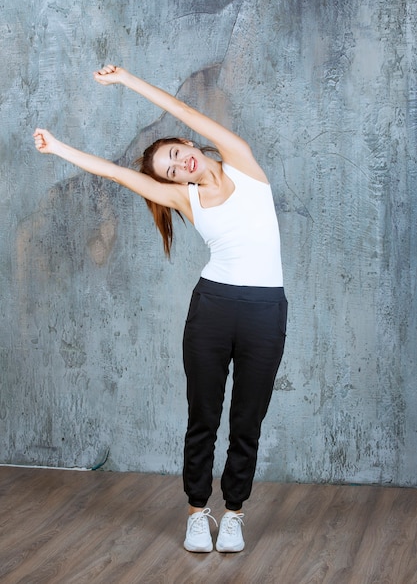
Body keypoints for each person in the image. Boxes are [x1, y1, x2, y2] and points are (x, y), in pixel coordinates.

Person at [33, 64, 287, 553]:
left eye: (175, 155)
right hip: (212, 309)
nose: (178, 167)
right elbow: (116, 174)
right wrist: (59, 147)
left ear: (188, 145)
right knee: (203, 417)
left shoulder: (243, 162)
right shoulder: (187, 200)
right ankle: (197, 513)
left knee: (248, 420)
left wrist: (126, 80)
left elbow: (185, 110)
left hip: (265, 311)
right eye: (169, 172)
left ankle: (233, 515)